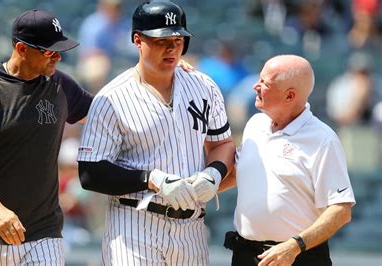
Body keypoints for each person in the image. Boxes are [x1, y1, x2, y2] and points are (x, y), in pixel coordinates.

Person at [77, 1, 235, 265]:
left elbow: (223, 143)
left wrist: (214, 173)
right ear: (138, 40)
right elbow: (91, 173)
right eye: (161, 40)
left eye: (178, 39)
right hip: (135, 225)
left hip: (192, 229)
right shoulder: (112, 97)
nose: (172, 47)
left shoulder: (204, 86)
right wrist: (152, 179)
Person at [0, 9, 93, 265]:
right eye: (49, 51)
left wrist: (162, 76)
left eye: (60, 50)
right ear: (22, 49)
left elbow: (108, 110)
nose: (58, 57)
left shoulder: (59, 84)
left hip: (43, 233)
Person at [222, 55, 356, 266]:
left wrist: (295, 246)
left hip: (298, 257)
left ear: (290, 96)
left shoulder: (323, 139)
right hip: (245, 255)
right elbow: (240, 174)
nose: (255, 86)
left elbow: (341, 210)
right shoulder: (255, 125)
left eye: (265, 83)